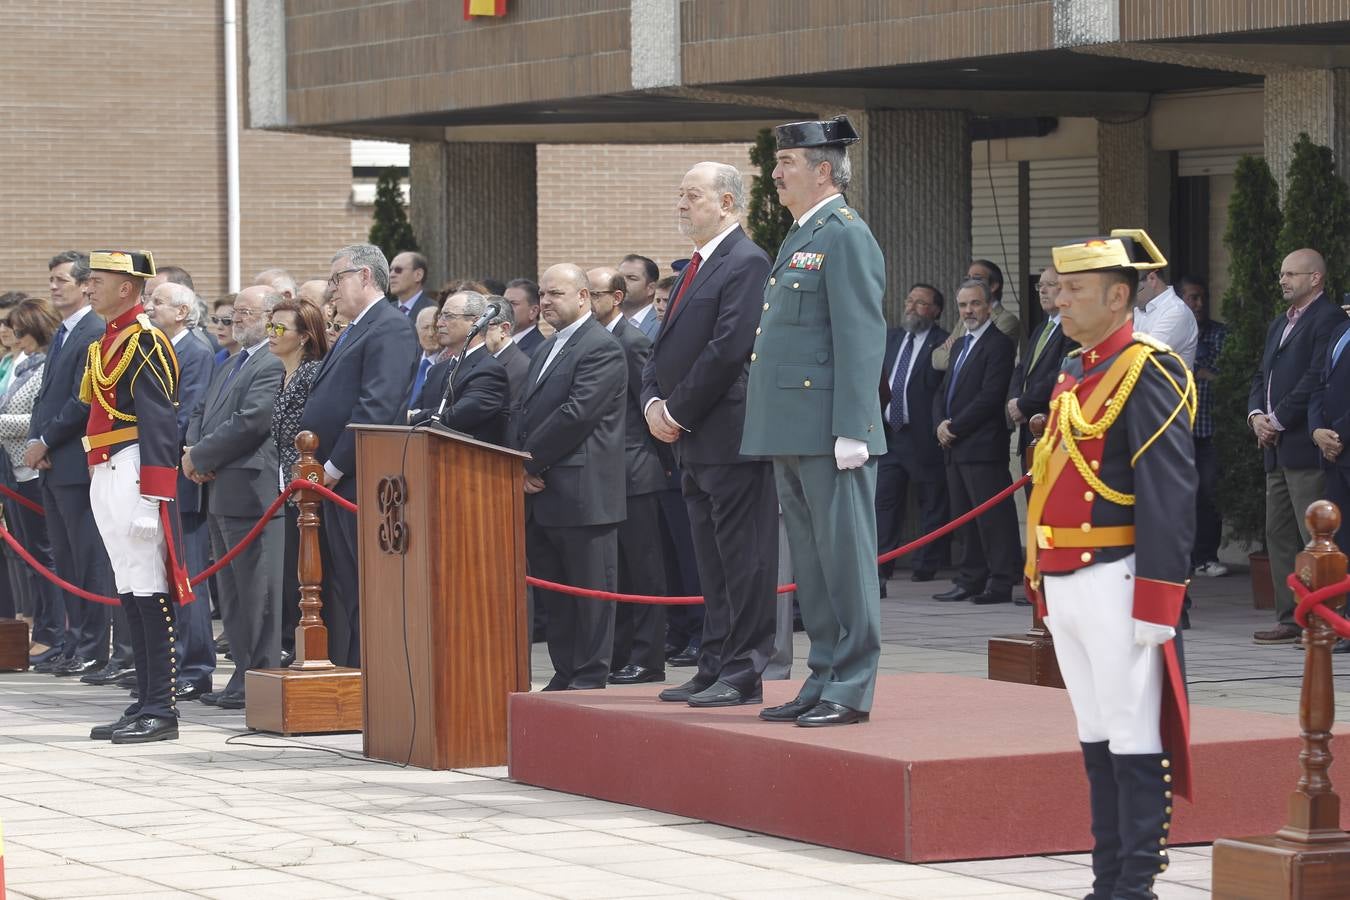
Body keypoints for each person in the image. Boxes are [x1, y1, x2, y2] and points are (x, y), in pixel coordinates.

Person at [1025, 229, 1195, 899]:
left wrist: (1159, 599)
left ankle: (1133, 884)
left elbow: (1168, 492)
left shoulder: (1147, 366)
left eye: (1074, 290)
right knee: (1094, 733)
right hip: (1067, 575)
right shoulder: (1078, 366)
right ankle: (1105, 879)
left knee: (1129, 731)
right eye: (1059, 288)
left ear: (1118, 296)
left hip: (1117, 574)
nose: (1060, 301)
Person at [742, 117, 886, 727]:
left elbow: (860, 334)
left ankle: (850, 685)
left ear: (823, 170)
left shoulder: (845, 235)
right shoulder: (804, 233)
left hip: (831, 431)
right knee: (813, 563)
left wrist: (855, 426)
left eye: (787, 163)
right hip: (794, 427)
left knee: (844, 561)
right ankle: (823, 673)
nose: (775, 174)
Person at [642, 162, 778, 707]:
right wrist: (652, 400)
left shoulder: (746, 260)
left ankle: (744, 668)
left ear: (726, 203)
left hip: (728, 434)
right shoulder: (698, 264)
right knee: (711, 560)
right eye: (679, 194)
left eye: (691, 195)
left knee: (743, 558)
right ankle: (714, 661)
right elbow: (662, 345)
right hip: (693, 437)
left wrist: (676, 410)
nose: (680, 204)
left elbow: (729, 348)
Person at [82, 250, 193, 744]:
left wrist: (154, 496)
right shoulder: (108, 340)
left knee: (148, 586)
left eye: (98, 280)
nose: (89, 288)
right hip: (104, 466)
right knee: (128, 585)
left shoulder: (145, 341)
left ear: (127, 287)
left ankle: (161, 709)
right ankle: (144, 698)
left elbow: (160, 421)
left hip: (132, 469)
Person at [298, 244, 417, 667]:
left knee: (363, 587)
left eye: (338, 279)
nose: (332, 291)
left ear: (365, 276)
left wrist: (333, 466)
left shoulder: (390, 327)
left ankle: (371, 675)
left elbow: (377, 407)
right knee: (343, 588)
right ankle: (350, 673)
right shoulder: (356, 327)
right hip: (335, 480)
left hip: (360, 479)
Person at [512, 263, 626, 691]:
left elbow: (576, 415)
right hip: (544, 493)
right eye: (542, 294)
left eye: (555, 293)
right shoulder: (547, 346)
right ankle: (565, 671)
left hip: (583, 494)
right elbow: (524, 411)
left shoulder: (600, 347)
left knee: (590, 593)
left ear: (583, 297)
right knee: (557, 595)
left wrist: (528, 462)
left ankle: (590, 674)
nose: (545, 302)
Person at [184, 285, 285, 708]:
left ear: (269, 315)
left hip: (250, 490)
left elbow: (253, 421)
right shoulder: (230, 362)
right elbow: (200, 412)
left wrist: (203, 455)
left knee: (258, 590)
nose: (236, 319)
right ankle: (241, 675)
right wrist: (192, 453)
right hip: (217, 485)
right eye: (233, 313)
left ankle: (259, 675)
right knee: (231, 594)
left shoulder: (271, 361)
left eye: (245, 312)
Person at [26, 252, 118, 677]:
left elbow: (83, 401)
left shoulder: (92, 332)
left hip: (74, 462)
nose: (53, 287)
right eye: (50, 280)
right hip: (52, 464)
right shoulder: (64, 333)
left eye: (61, 279)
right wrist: (36, 439)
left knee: (86, 558)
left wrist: (45, 439)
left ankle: (94, 645)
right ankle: (72, 639)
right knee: (65, 558)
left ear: (85, 285)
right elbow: (47, 398)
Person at [1249, 248, 1344, 644]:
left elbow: (1314, 379)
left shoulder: (1329, 319)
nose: (1283, 280)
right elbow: (1261, 374)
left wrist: (1279, 419)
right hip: (1273, 445)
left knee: (1314, 538)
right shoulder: (1279, 323)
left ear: (1315, 278)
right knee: (1279, 532)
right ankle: (1288, 616)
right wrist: (1256, 415)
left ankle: (1319, 616)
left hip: (1303, 444)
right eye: (1282, 273)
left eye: (1292, 274)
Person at [587, 266, 668, 685]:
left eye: (593, 293)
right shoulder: (598, 340)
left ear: (615, 298)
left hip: (635, 474)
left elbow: (647, 407)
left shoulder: (632, 343)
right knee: (617, 572)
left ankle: (648, 658)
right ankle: (619, 654)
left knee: (644, 571)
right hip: (607, 476)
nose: (585, 300)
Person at [144, 282, 216, 700]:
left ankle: (196, 666)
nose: (150, 308)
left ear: (184, 312)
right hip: (157, 473)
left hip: (178, 475)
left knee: (188, 575)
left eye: (159, 302)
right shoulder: (159, 347)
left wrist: (150, 450)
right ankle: (171, 663)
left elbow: (187, 414)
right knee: (166, 575)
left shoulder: (195, 352)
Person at [932, 279, 1020, 606]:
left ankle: (999, 581)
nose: (969, 311)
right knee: (963, 517)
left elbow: (990, 396)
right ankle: (970, 578)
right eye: (964, 305)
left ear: (988, 306)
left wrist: (955, 426)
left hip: (982, 445)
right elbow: (943, 390)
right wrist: (939, 423)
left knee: (992, 519)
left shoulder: (998, 344)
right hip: (954, 446)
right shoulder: (959, 344)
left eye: (975, 304)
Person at [0, 298, 64, 658]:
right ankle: (43, 626)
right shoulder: (24, 368)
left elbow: (36, 422)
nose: (14, 336)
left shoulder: (43, 369)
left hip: (34, 470)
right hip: (16, 470)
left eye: (20, 330)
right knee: (31, 558)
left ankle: (54, 631)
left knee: (45, 557)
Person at [266, 296, 329, 663]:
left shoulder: (311, 373)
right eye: (268, 327)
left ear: (304, 336)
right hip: (283, 484)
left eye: (279, 328)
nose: (271, 335)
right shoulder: (282, 373)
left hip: (307, 487)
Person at [877, 283, 949, 588]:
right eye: (909, 300)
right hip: (888, 436)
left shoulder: (943, 343)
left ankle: (926, 565)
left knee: (930, 500)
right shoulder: (891, 338)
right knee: (884, 501)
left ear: (934, 311)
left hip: (921, 436)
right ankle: (881, 564)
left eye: (920, 303)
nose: (911, 307)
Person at [408, 290, 511, 444]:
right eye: (441, 316)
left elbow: (455, 417)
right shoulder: (437, 370)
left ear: (476, 322)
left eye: (448, 316)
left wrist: (413, 417)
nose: (439, 323)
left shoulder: (490, 371)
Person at [1180, 275, 1228, 578]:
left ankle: (1207, 556)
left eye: (1201, 297)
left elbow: (1222, 373)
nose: (1197, 304)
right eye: (1191, 298)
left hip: (1209, 430)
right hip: (1179, 431)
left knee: (1209, 492)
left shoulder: (1220, 334)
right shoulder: (1176, 333)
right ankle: (1185, 558)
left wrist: (1201, 372)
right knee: (1182, 495)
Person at [1008, 266, 1076, 475]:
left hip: (1052, 428)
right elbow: (1022, 369)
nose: (1042, 291)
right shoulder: (1040, 329)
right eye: (1040, 285)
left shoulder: (1073, 328)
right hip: (1029, 429)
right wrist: (1013, 401)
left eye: (1050, 284)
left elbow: (1061, 373)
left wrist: (1024, 403)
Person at [932, 259, 1021, 370]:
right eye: (967, 279)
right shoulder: (966, 316)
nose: (970, 282)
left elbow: (978, 361)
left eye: (977, 278)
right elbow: (936, 358)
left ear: (993, 286)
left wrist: (954, 349)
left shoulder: (1006, 320)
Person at [1133, 265, 1198, 369]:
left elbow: (1144, 358)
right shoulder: (1139, 309)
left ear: (1152, 279)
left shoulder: (1176, 312)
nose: (1129, 295)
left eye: (1132, 287)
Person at [482, 295, 530, 404]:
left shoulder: (522, 369)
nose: (477, 334)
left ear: (504, 329)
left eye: (483, 327)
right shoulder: (480, 360)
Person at [619, 254, 661, 340]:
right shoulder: (603, 322)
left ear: (651, 288)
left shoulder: (661, 326)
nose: (622, 282)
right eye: (619, 277)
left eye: (631, 278)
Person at [409, 305, 442, 410]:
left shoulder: (448, 364)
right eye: (425, 327)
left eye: (435, 328)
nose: (431, 333)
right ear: (416, 330)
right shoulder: (407, 361)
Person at [389, 251, 435, 320]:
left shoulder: (434, 310)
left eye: (398, 270)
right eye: (390, 270)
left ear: (418, 275)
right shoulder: (385, 311)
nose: (391, 275)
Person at [505, 278, 544, 356]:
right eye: (504, 303)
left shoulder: (539, 350)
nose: (505, 308)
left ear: (533, 311)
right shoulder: (496, 346)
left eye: (513, 304)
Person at [211, 296, 239, 366]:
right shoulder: (218, 358)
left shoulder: (251, 360)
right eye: (216, 319)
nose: (219, 327)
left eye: (227, 320)